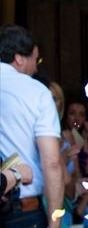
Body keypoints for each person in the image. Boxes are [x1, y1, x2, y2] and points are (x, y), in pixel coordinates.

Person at [0, 23, 64, 228]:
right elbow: (52, 162)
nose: (36, 67)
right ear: (19, 58)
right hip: (21, 211)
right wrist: (55, 223)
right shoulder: (37, 92)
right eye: (35, 59)